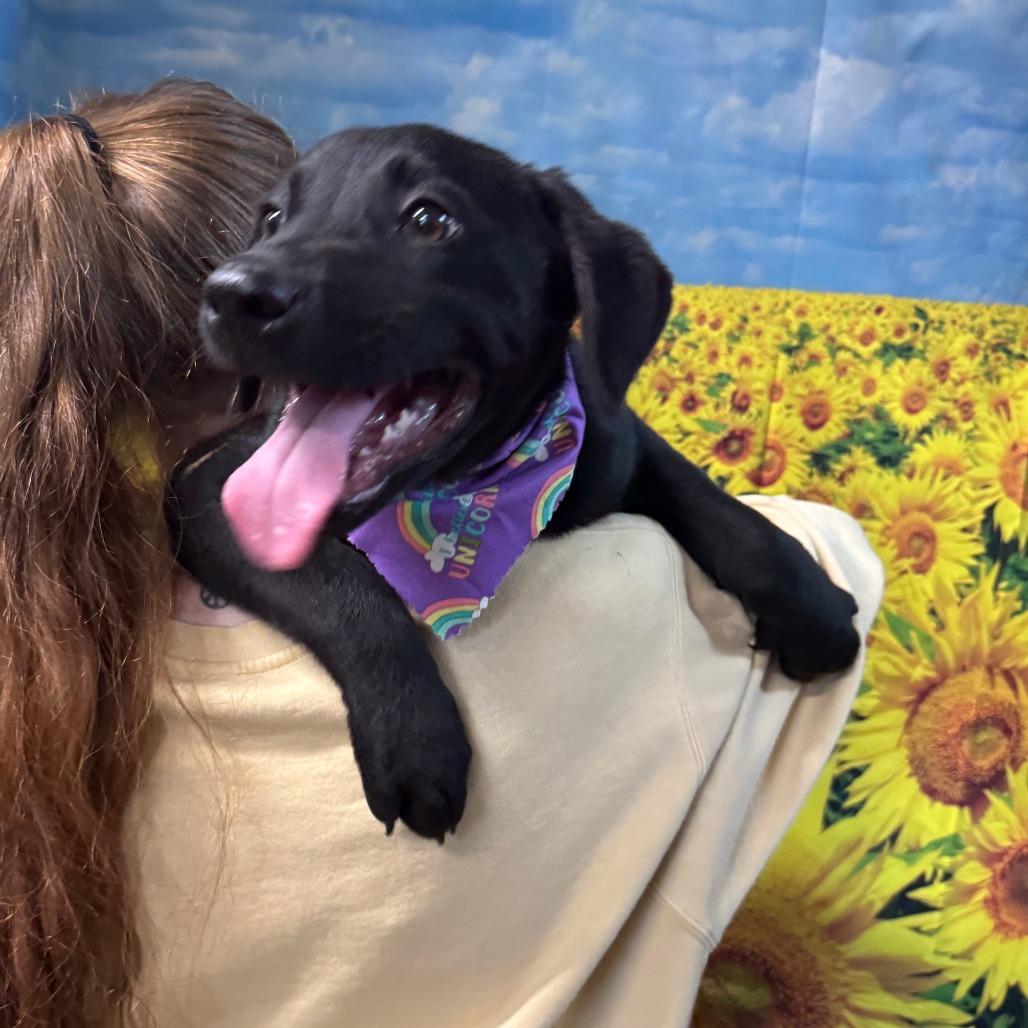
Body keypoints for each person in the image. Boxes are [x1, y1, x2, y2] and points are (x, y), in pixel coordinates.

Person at [0, 79, 883, 1028]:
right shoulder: (656, 618)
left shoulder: (45, 629)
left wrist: (728, 534)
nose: (262, 267)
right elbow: (838, 566)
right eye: (274, 222)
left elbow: (607, 433)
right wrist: (382, 661)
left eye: (426, 219)